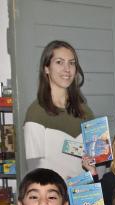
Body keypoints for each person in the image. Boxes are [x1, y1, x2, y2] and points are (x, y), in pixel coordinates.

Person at [24, 40, 96, 179]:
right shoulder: (36, 113)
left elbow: (99, 163)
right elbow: (34, 173)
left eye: (71, 62)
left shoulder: (86, 112)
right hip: (52, 197)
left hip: (85, 196)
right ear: (46, 68)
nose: (67, 69)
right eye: (59, 62)